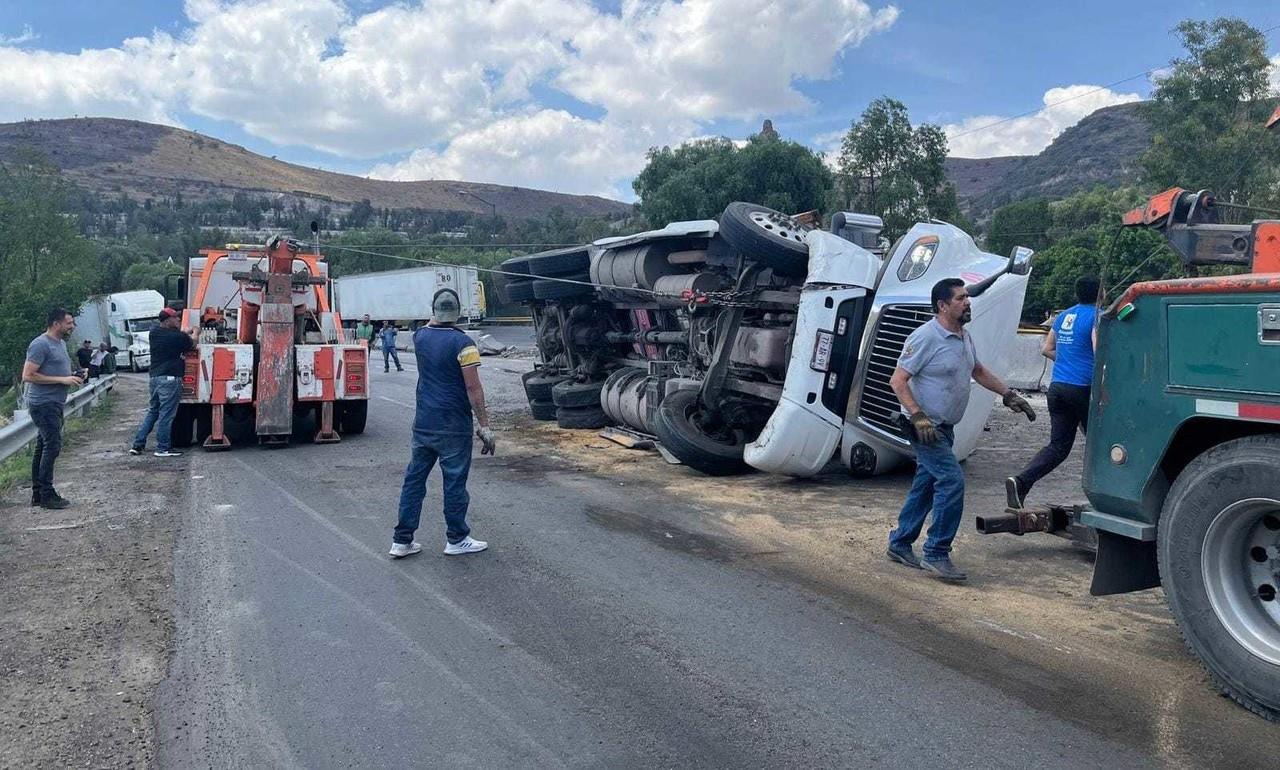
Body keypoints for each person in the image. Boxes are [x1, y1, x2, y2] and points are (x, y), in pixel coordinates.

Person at [886, 278, 1037, 582]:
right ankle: (936, 552)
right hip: (924, 428)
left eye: (967, 297)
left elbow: (977, 370)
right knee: (952, 481)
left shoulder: (963, 336)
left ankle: (900, 543)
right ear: (942, 305)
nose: (967, 302)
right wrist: (917, 417)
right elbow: (897, 380)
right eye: (960, 298)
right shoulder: (926, 337)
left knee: (927, 485)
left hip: (945, 427)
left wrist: (1008, 395)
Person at [389, 289, 495, 559]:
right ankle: (457, 538)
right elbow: (473, 388)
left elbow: (427, 326)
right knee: (454, 483)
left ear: (433, 311)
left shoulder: (420, 337)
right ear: (458, 312)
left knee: (414, 481)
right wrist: (484, 425)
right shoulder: (464, 345)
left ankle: (402, 541)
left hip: (424, 424)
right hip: (453, 426)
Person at [1006, 276, 1100, 509]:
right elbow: (1100, 353)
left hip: (1057, 388)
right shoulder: (1097, 316)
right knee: (1102, 444)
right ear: (1100, 293)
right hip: (1082, 388)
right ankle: (1105, 499)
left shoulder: (1063, 316)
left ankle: (1021, 482)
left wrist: (1069, 360)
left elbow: (1046, 349)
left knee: (1058, 446)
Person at [22, 308, 84, 509]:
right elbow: (28, 375)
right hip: (43, 403)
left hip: (54, 402)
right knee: (52, 446)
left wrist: (75, 375)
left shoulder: (61, 343)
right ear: (56, 324)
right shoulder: (40, 344)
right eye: (69, 323)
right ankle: (47, 494)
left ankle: (38, 494)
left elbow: (56, 370)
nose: (72, 326)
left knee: (43, 446)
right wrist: (62, 379)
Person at [129, 308, 195, 458]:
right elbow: (192, 344)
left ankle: (137, 444)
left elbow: (179, 336)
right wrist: (195, 333)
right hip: (169, 379)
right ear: (167, 320)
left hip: (155, 378)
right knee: (166, 414)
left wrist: (184, 332)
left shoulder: (154, 332)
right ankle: (163, 448)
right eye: (175, 318)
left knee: (153, 411)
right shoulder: (175, 336)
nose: (178, 320)